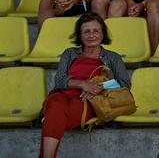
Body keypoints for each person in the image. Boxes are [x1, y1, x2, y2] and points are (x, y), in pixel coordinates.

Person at [39, 13, 131, 158]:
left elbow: (124, 83)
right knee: (56, 106)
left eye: (96, 31)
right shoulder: (69, 53)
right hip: (61, 94)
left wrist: (97, 88)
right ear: (80, 36)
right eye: (86, 31)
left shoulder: (113, 57)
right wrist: (83, 84)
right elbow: (59, 80)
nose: (91, 35)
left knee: (56, 116)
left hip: (89, 99)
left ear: (102, 34)